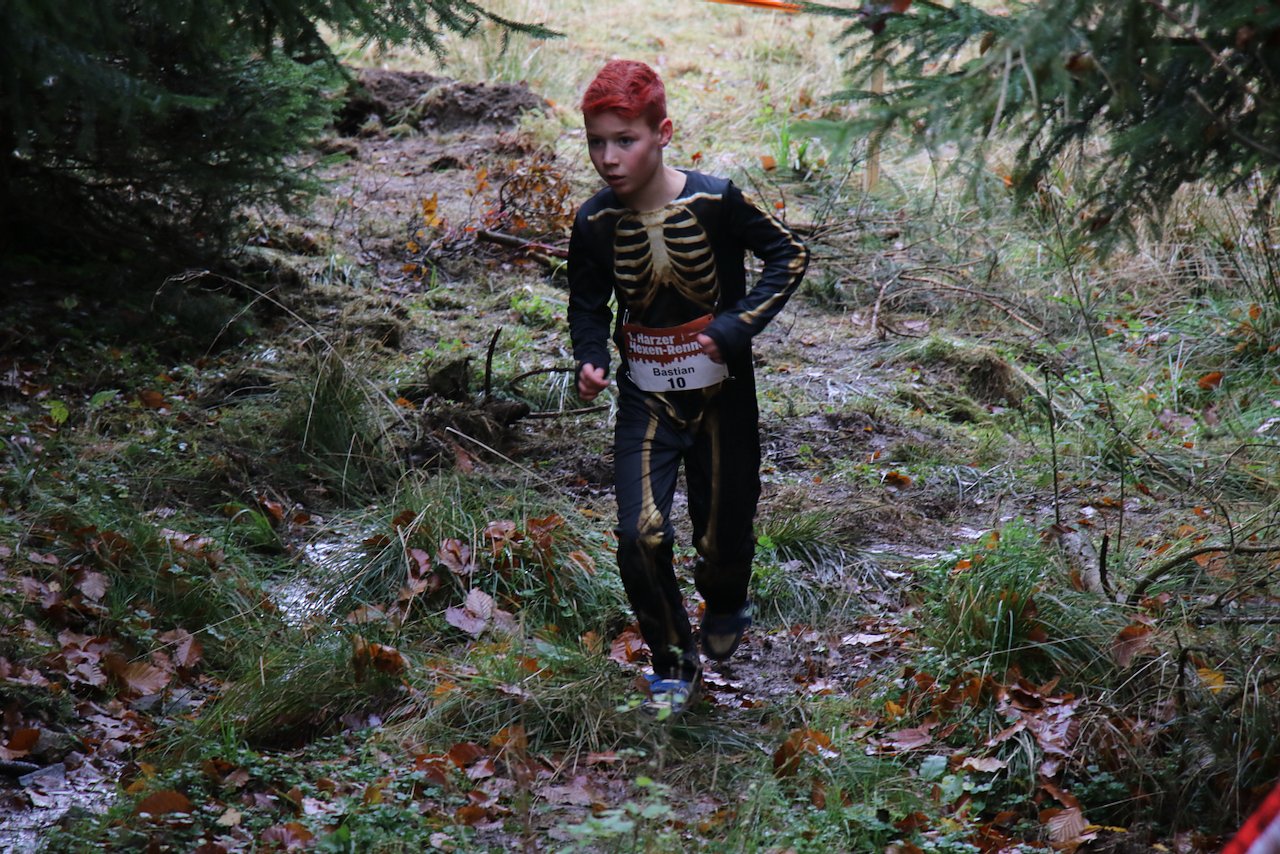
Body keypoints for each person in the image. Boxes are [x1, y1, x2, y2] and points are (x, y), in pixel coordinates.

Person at [568, 59, 808, 716]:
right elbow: (587, 303)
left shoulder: (716, 201)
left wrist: (736, 325)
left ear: (663, 133)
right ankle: (673, 660)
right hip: (646, 398)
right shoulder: (594, 223)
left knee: (723, 536)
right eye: (596, 142)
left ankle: (725, 599)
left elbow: (789, 253)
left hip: (722, 397)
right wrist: (590, 356)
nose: (609, 158)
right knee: (639, 535)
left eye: (626, 140)